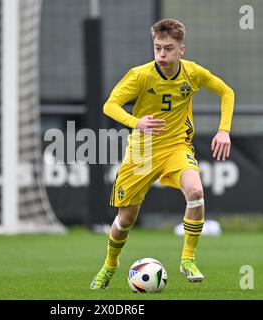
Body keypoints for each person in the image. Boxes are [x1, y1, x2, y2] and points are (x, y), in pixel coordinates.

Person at [90, 18, 234, 289]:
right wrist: (137, 122)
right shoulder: (141, 75)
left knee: (196, 192)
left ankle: (188, 259)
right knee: (126, 219)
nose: (162, 54)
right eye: (157, 48)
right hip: (142, 150)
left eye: (168, 48)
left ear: (182, 49)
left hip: (176, 146)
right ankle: (110, 265)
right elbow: (110, 105)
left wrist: (223, 130)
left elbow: (227, 92)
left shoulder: (192, 73)